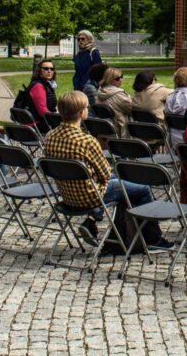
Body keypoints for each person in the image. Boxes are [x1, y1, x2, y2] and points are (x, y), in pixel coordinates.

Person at [43, 91, 169, 248]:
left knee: (123, 184)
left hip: (67, 194)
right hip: (91, 197)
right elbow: (105, 173)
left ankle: (102, 225)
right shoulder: (87, 141)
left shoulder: (49, 136)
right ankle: (153, 239)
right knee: (142, 189)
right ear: (82, 113)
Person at [27, 57, 58, 130]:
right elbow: (43, 111)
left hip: (43, 121)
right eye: (46, 69)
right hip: (38, 123)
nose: (49, 71)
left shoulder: (47, 84)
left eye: (52, 69)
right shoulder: (38, 86)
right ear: (39, 71)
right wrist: (58, 119)